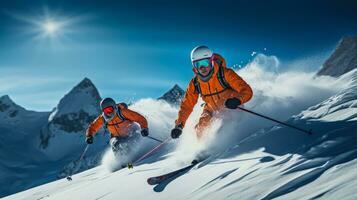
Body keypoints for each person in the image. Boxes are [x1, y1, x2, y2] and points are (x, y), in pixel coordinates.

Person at [171, 45, 253, 139]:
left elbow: (247, 91)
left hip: (230, 104)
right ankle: (203, 151)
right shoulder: (195, 83)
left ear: (211, 62)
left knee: (223, 127)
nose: (202, 68)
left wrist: (238, 100)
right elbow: (187, 105)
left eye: (205, 63)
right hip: (210, 109)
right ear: (194, 67)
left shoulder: (225, 74)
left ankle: (231, 147)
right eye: (198, 64)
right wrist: (179, 126)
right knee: (200, 128)